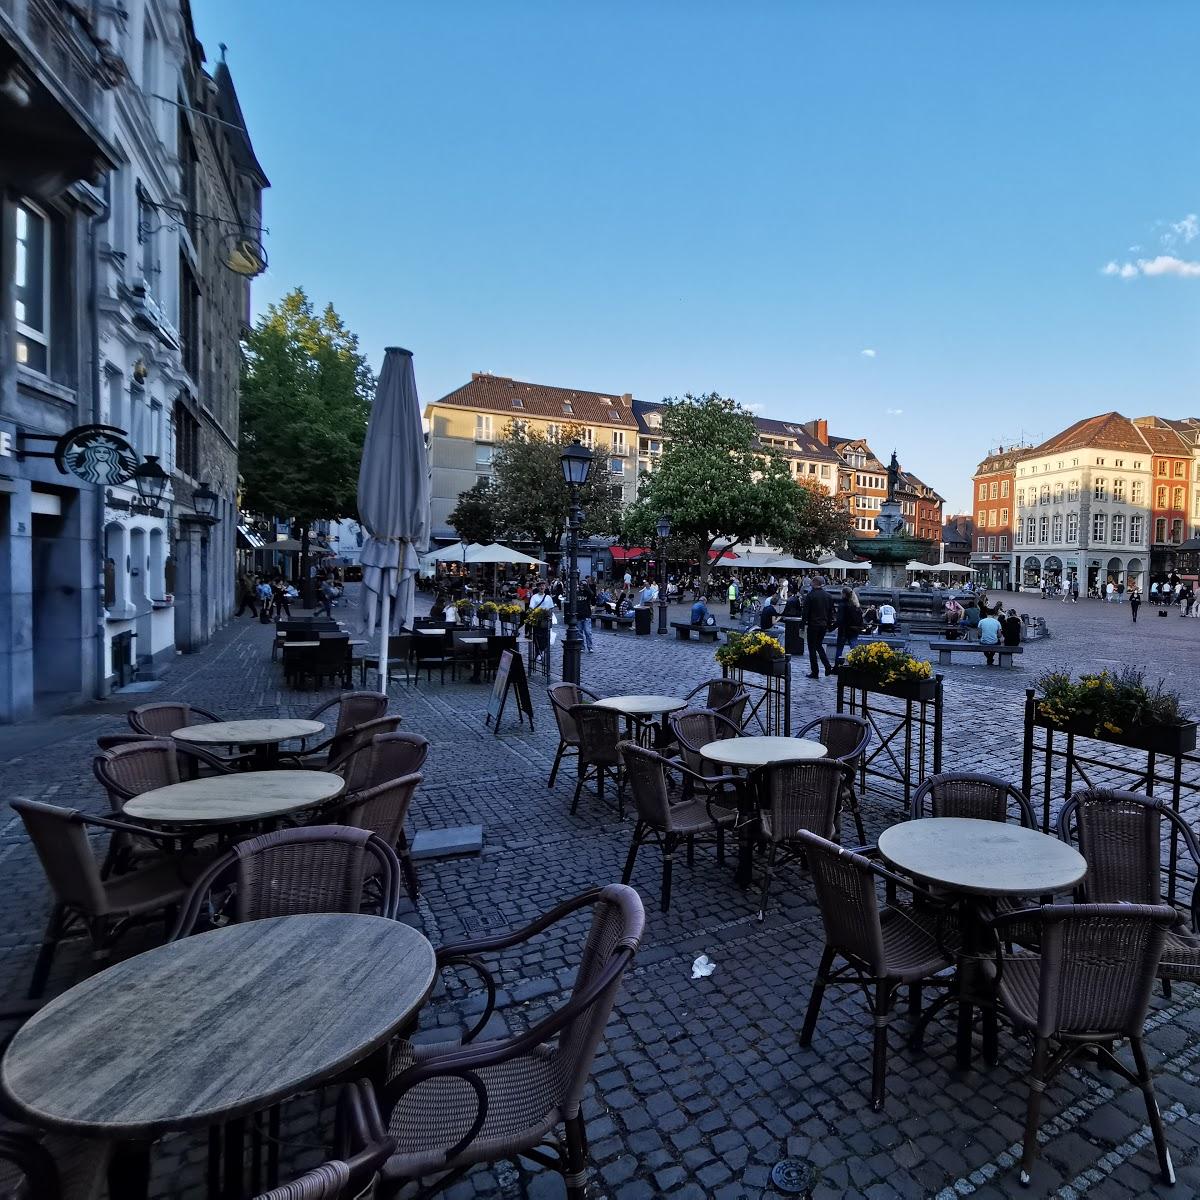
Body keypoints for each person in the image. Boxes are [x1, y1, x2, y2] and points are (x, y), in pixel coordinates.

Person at [800, 575, 835, 678]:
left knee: (812, 648)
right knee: (819, 646)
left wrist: (802, 625)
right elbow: (830, 613)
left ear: (814, 583)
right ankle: (827, 666)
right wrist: (829, 625)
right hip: (823, 625)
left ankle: (815, 671)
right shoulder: (828, 596)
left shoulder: (810, 596)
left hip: (813, 625)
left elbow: (805, 612)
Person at [834, 586, 863, 665]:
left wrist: (832, 627)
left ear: (843, 594)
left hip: (843, 630)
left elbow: (840, 619)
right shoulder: (856, 605)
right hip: (854, 630)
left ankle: (837, 666)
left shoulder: (843, 604)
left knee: (839, 649)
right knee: (854, 648)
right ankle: (857, 663)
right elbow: (860, 619)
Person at [527, 582, 555, 662]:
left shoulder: (548, 597)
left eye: (543, 586)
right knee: (537, 637)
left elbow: (551, 608)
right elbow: (531, 607)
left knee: (546, 637)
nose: (542, 587)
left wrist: (549, 616)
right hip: (537, 620)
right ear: (538, 588)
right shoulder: (534, 597)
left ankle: (542, 650)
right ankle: (538, 653)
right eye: (540, 586)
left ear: (545, 587)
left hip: (546, 620)